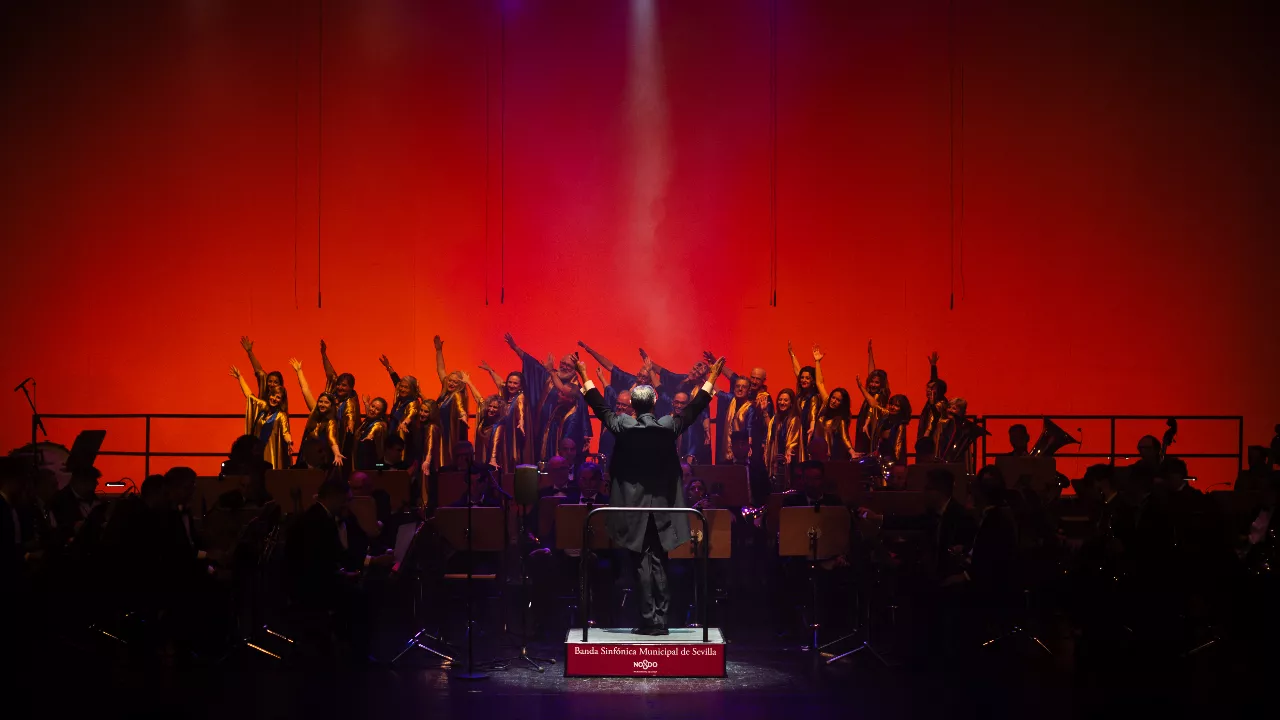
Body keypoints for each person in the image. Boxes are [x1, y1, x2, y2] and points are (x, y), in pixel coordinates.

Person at [577, 353, 722, 635]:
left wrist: (584, 375)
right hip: (663, 507)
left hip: (633, 508)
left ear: (633, 404)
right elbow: (694, 409)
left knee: (642, 564)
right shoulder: (667, 426)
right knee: (659, 561)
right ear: (655, 402)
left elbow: (599, 406)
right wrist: (712, 378)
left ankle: (648, 620)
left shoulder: (623, 425)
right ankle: (660, 620)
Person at [285, 476, 392, 663]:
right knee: (363, 597)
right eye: (346, 500)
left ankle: (347, 646)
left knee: (360, 592)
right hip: (311, 588)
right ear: (335, 497)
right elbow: (324, 560)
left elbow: (326, 558)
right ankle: (358, 654)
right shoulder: (320, 521)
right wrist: (344, 574)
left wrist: (344, 572)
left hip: (310, 581)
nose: (347, 505)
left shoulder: (316, 516)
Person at [504, 333, 591, 463]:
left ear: (575, 369)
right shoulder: (550, 377)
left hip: (561, 432)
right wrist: (515, 347)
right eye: (563, 363)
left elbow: (582, 409)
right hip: (542, 427)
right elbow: (532, 364)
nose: (564, 367)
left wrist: (586, 433)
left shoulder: (576, 387)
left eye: (569, 366)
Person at [230, 365, 292, 469]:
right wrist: (240, 377)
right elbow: (249, 395)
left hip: (271, 451)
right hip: (257, 451)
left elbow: (286, 433)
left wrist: (290, 442)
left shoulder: (281, 415)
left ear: (282, 400)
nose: (274, 399)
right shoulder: (262, 407)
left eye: (278, 397)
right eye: (273, 395)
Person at [290, 358, 345, 468]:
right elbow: (305, 390)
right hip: (306, 456)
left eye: (326, 402)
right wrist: (299, 371)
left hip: (320, 461)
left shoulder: (331, 421)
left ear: (331, 405)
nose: (322, 404)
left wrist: (337, 453)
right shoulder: (314, 412)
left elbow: (332, 439)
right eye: (320, 401)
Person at [320, 339, 361, 472]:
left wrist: (350, 424)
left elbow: (350, 414)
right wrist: (324, 354)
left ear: (351, 388)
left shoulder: (351, 401)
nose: (339, 387)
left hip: (343, 439)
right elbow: (331, 374)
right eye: (339, 384)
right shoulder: (334, 396)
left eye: (344, 385)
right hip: (329, 435)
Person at [478, 361, 530, 466]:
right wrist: (490, 370)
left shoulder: (520, 397)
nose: (511, 385)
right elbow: (500, 383)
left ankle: (494, 460)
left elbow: (521, 411)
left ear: (520, 386)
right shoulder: (506, 396)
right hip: (503, 436)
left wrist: (521, 422)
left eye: (515, 383)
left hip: (511, 434)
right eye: (510, 382)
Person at [376, 355, 421, 467]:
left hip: (404, 439)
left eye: (406, 387)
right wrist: (388, 367)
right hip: (392, 436)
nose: (402, 389)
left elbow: (411, 413)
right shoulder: (399, 398)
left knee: (400, 465)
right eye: (402, 386)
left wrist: (404, 423)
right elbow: (396, 381)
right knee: (382, 464)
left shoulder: (413, 402)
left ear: (412, 390)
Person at [787, 342, 827, 456]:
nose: (803, 380)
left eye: (807, 378)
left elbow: (813, 414)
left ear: (813, 380)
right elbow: (797, 371)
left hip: (810, 432)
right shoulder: (801, 395)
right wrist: (791, 354)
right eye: (802, 378)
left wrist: (817, 362)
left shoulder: (815, 397)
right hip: (799, 432)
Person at [239, 336, 289, 413]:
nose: (272, 384)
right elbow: (259, 371)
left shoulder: (281, 398)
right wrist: (249, 352)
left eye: (275, 382)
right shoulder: (264, 392)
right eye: (270, 381)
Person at [765, 388, 802, 486]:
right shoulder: (775, 418)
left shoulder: (794, 419)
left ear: (791, 403)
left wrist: (789, 451)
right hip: (776, 457)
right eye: (780, 400)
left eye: (785, 400)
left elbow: (793, 440)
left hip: (788, 460)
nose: (782, 402)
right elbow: (771, 435)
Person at [716, 375, 756, 465]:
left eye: (744, 387)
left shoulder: (750, 408)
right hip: (726, 451)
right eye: (737, 386)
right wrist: (708, 376)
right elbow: (717, 392)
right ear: (734, 389)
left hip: (741, 453)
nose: (740, 389)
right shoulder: (731, 400)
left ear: (749, 390)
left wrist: (748, 445)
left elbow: (749, 428)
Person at [670, 391, 712, 465]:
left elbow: (695, 440)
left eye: (683, 403)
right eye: (676, 402)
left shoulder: (693, 422)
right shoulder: (668, 418)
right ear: (672, 403)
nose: (679, 406)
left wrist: (691, 454)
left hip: (689, 462)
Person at [474, 394, 510, 471]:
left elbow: (496, 442)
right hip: (480, 458)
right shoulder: (483, 420)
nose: (491, 409)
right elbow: (479, 399)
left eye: (495, 407)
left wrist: (493, 459)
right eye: (490, 406)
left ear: (500, 410)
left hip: (491, 461)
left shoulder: (499, 425)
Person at [917, 352, 947, 447]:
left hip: (934, 436)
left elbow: (934, 418)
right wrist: (933, 366)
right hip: (926, 434)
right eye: (928, 387)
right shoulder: (931, 402)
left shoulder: (940, 403)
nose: (929, 390)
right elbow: (934, 380)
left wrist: (927, 433)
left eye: (932, 388)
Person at [354, 396, 389, 471]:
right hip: (361, 460)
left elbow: (375, 428)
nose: (373, 410)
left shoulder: (380, 424)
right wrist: (366, 404)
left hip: (373, 464)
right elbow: (369, 413)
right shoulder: (368, 421)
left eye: (377, 409)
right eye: (372, 406)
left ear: (382, 414)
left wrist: (370, 435)